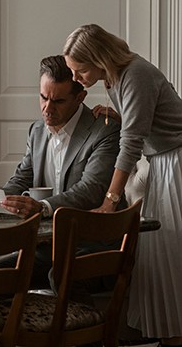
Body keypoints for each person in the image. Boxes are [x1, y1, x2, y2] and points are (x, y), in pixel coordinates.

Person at [63, 24, 182, 346]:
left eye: (80, 70)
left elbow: (131, 143)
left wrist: (110, 200)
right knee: (158, 256)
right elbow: (144, 120)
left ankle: (174, 336)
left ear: (100, 59)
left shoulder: (135, 74)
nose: (76, 79)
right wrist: (119, 116)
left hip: (175, 161)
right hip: (162, 160)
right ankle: (167, 335)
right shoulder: (116, 77)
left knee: (169, 255)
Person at [0, 55, 126, 297]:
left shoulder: (104, 130)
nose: (47, 108)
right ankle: (5, 334)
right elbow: (21, 179)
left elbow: (92, 189)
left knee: (60, 274)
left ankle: (82, 335)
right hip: (48, 246)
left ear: (80, 98)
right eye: (43, 98)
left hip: (91, 245)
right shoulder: (36, 131)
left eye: (57, 101)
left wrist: (43, 207)